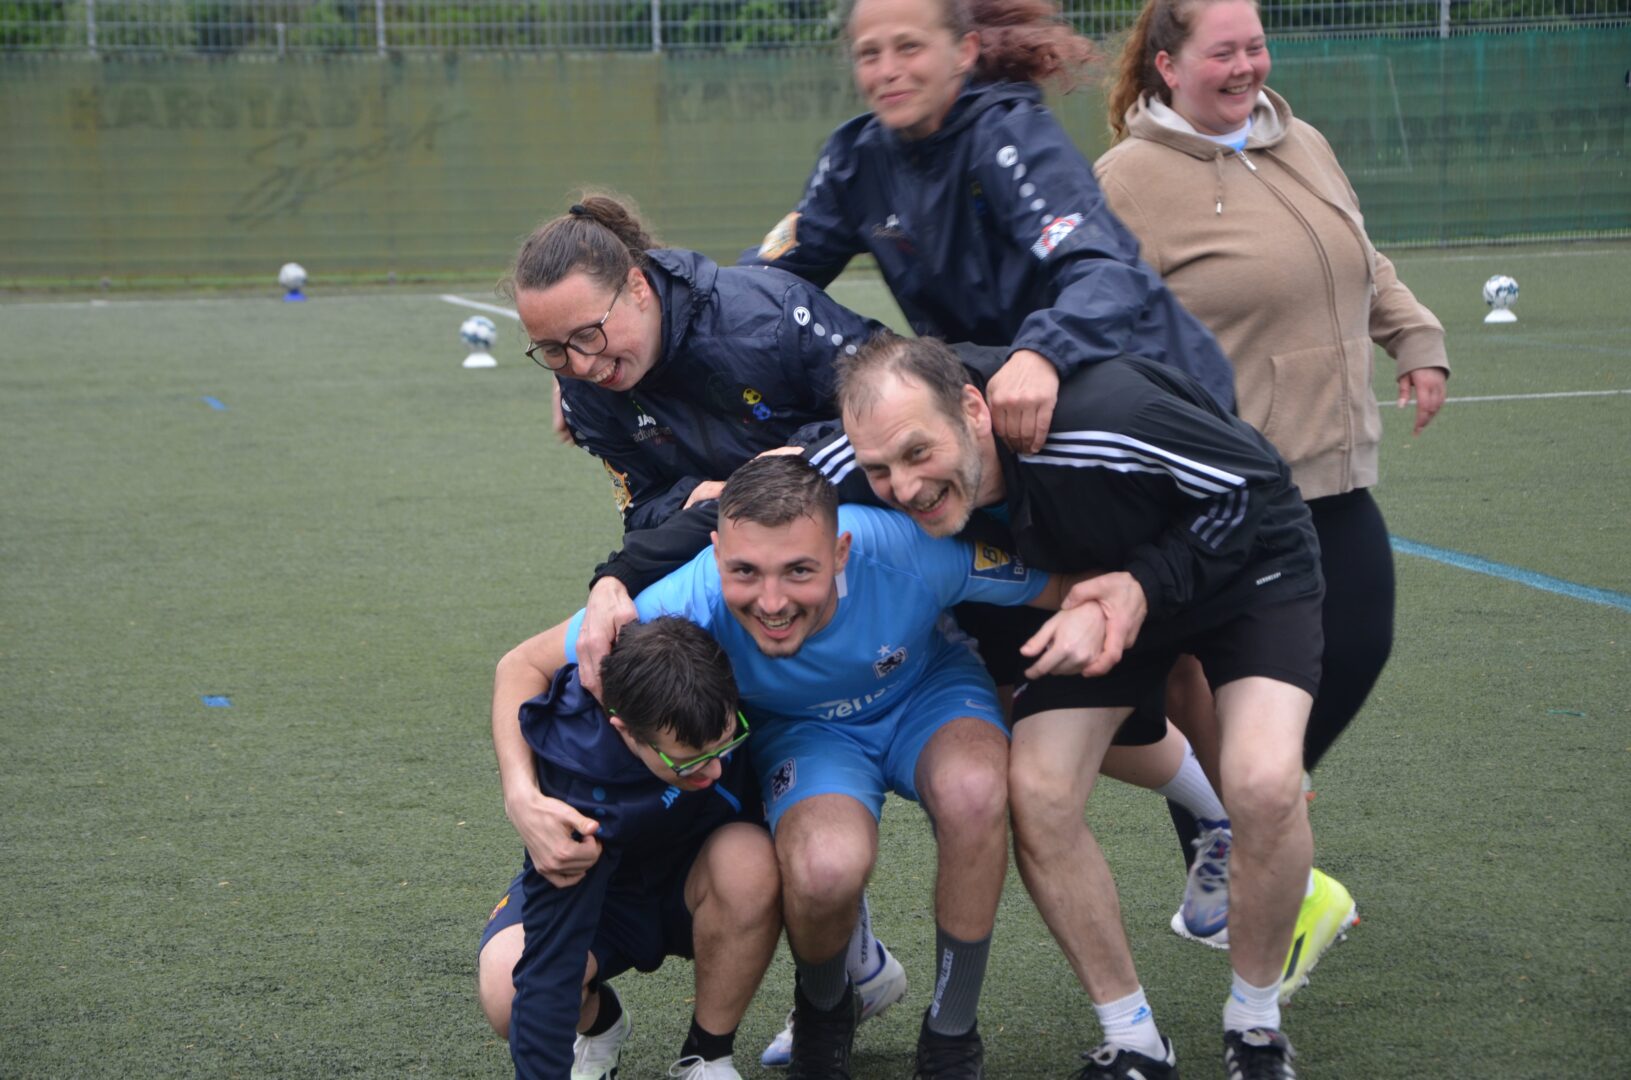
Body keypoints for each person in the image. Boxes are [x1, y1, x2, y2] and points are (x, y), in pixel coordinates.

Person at [742, 0, 1245, 913]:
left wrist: (1040, 351)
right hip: (982, 440)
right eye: (869, 52)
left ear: (964, 51)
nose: (887, 68)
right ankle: (1220, 823)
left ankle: (1244, 839)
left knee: (1165, 648)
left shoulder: (1008, 137)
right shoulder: (857, 159)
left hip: (1115, 411)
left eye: (909, 46)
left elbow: (1103, 271)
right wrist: (662, 323)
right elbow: (765, 286)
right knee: (1022, 673)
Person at [497, 454, 1097, 1079]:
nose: (772, 601)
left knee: (973, 792)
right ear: (716, 554)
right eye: (745, 572)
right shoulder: (685, 597)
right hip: (807, 731)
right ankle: (825, 1010)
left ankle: (951, 1032)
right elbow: (522, 665)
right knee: (824, 866)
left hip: (928, 693)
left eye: (800, 570)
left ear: (840, 553)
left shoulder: (904, 550)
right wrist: (520, 795)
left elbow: (1063, 586)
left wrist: (1126, 600)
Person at [832, 333, 1325, 1078]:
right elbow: (766, 500)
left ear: (973, 409)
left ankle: (1255, 1027)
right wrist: (652, 553)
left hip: (1246, 572)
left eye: (916, 453)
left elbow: (1253, 484)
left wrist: (1143, 586)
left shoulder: (1104, 418)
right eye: (878, 469)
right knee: (1038, 790)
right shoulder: (869, 453)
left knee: (1262, 783)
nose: (902, 488)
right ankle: (1134, 1040)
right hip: (1099, 590)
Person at [1096, 0, 1449, 952]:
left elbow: (1360, 257)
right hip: (1223, 492)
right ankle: (1240, 862)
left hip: (1333, 470)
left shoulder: (1301, 141)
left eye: (1254, 45)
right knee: (1214, 695)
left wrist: (1414, 338)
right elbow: (1093, 319)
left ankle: (1245, 829)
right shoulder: (1127, 181)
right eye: (1223, 51)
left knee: (1358, 642)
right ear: (1168, 66)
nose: (1247, 65)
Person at [481, 616, 780, 1080]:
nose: (716, 770)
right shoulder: (576, 780)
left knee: (751, 861)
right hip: (607, 900)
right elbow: (550, 964)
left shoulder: (724, 678)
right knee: (509, 992)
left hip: (702, 881)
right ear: (625, 730)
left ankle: (707, 1056)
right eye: (689, 761)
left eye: (724, 745)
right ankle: (600, 1024)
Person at [509, 195, 884, 533]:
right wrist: (687, 499)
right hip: (731, 537)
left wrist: (800, 460)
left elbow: (903, 409)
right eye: (552, 348)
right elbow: (641, 509)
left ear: (637, 288)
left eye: (589, 334)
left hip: (852, 510)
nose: (580, 365)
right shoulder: (581, 390)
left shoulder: (770, 321)